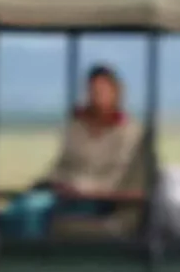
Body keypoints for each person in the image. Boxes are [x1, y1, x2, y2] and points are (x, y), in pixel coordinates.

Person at [40, 65, 144, 196]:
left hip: (104, 199)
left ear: (116, 93)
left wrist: (80, 187)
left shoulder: (128, 132)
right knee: (27, 207)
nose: (97, 96)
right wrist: (54, 183)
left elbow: (119, 178)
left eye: (103, 91)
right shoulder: (77, 127)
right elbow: (61, 165)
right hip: (65, 193)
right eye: (93, 91)